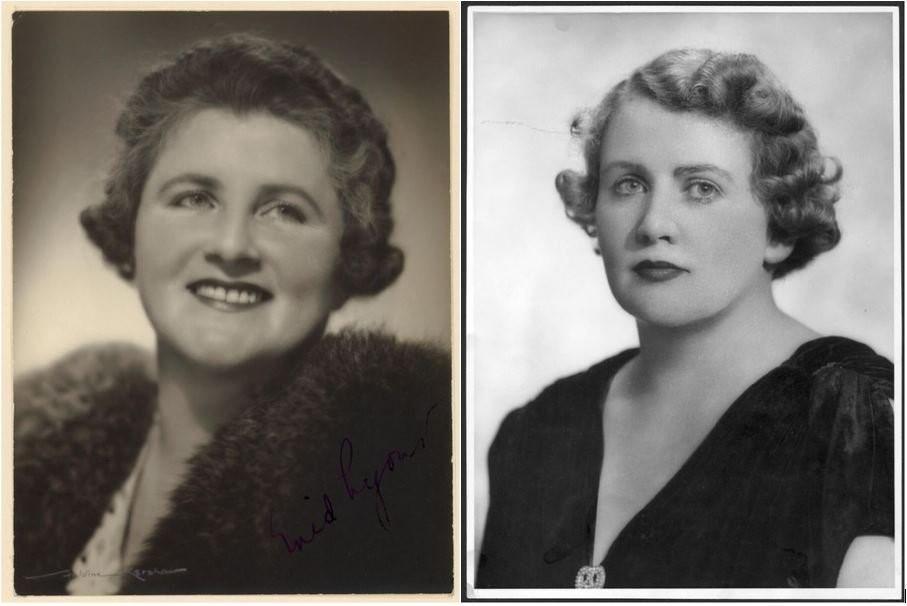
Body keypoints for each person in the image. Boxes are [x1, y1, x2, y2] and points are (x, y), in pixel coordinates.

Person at [14, 34, 452, 595]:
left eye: (284, 211)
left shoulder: (400, 502)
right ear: (133, 225)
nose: (232, 246)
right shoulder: (29, 461)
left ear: (348, 261)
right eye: (195, 198)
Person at [477, 49, 893, 589]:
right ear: (592, 208)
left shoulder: (856, 419)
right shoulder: (537, 430)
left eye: (702, 187)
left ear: (779, 226)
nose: (654, 224)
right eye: (628, 184)